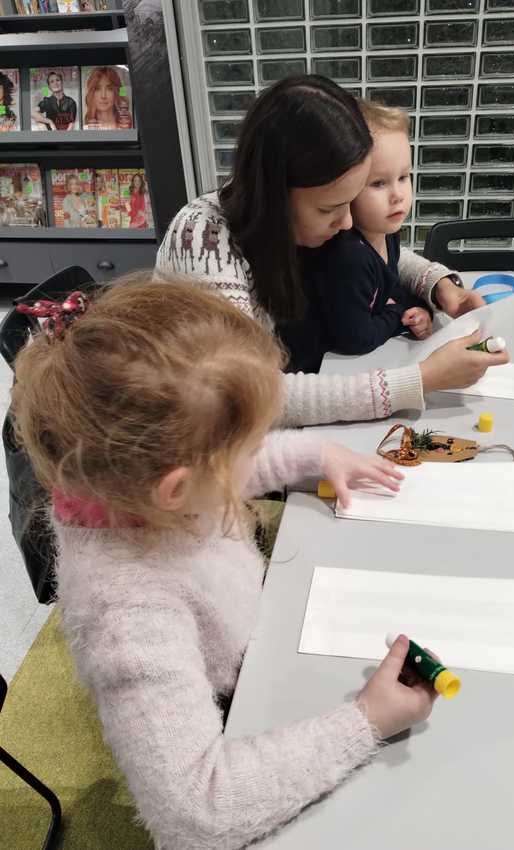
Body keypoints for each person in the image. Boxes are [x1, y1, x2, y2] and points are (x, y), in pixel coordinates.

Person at [11, 272, 437, 850]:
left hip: (255, 645)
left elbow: (232, 476)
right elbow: (196, 815)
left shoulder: (136, 486)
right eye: (250, 442)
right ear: (176, 489)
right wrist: (364, 722)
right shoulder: (126, 618)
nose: (260, 452)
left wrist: (316, 451)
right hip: (236, 710)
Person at [157, 75, 505, 428]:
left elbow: (381, 254)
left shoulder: (293, 221)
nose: (347, 222)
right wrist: (421, 380)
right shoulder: (204, 239)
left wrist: (440, 285)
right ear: (276, 195)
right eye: (330, 209)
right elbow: (250, 395)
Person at [290, 99, 432, 367]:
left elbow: (389, 285)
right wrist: (399, 314)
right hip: (317, 372)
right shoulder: (348, 256)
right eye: (378, 183)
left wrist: (418, 309)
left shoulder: (386, 231)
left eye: (404, 177)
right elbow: (356, 339)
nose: (398, 196)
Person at [83, 65, 133, 130]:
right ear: (91, 93)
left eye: (109, 89)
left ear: (116, 92)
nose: (103, 96)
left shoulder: (128, 129)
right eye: (97, 89)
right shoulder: (84, 130)